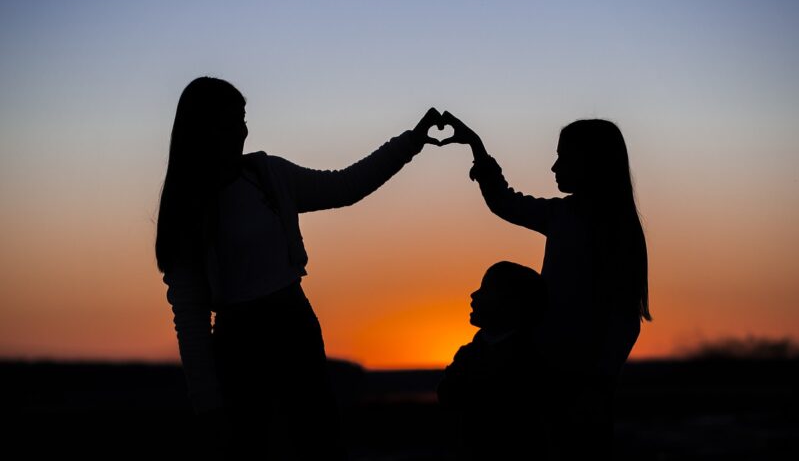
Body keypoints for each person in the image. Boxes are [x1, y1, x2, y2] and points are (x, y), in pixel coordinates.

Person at [155, 77, 444, 459]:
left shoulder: (268, 175)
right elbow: (190, 319)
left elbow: (344, 186)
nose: (243, 130)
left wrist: (411, 141)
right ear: (205, 130)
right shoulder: (188, 210)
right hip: (240, 350)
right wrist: (207, 403)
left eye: (244, 118)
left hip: (296, 328)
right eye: (231, 121)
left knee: (320, 448)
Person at [440, 112, 651, 459]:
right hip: (544, 371)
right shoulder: (562, 215)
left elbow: (625, 316)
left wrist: (599, 383)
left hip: (583, 384)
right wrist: (476, 148)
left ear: (592, 162)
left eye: (563, 157)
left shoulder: (617, 231)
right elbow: (504, 202)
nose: (554, 168)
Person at [437, 261, 547, 460]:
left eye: (485, 289)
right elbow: (447, 394)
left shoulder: (526, 359)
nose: (474, 295)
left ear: (511, 304)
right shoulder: (468, 354)